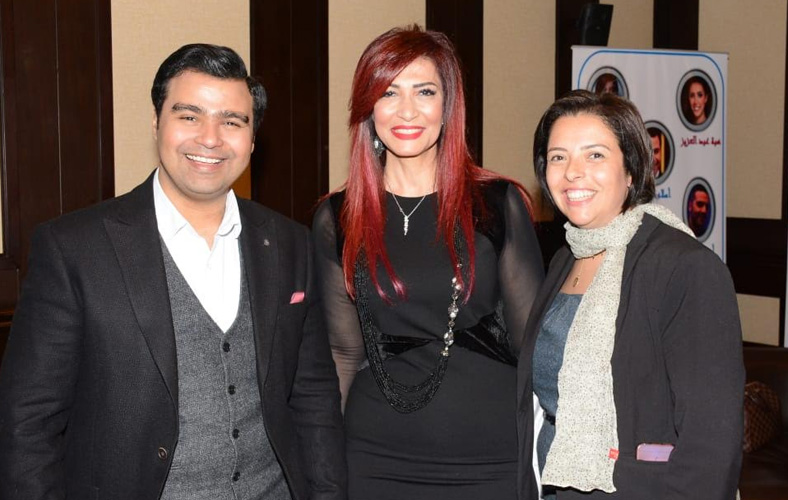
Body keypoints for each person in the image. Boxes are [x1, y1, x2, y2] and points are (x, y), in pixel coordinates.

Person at [0, 44, 346, 499]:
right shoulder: (74, 249)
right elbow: (27, 423)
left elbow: (313, 397)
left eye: (232, 121)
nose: (210, 138)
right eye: (189, 116)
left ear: (252, 138)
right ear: (156, 122)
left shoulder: (290, 244)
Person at [312, 25, 545, 500]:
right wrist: (322, 465)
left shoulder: (496, 204)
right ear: (368, 108)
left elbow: (534, 346)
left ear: (448, 105)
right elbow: (343, 353)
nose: (407, 110)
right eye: (389, 92)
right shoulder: (337, 217)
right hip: (374, 459)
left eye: (424, 92)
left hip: (489, 458)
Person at [517, 90, 743, 499]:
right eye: (558, 157)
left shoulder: (683, 267)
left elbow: (711, 443)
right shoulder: (565, 258)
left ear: (631, 171)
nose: (573, 172)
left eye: (595, 155)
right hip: (550, 481)